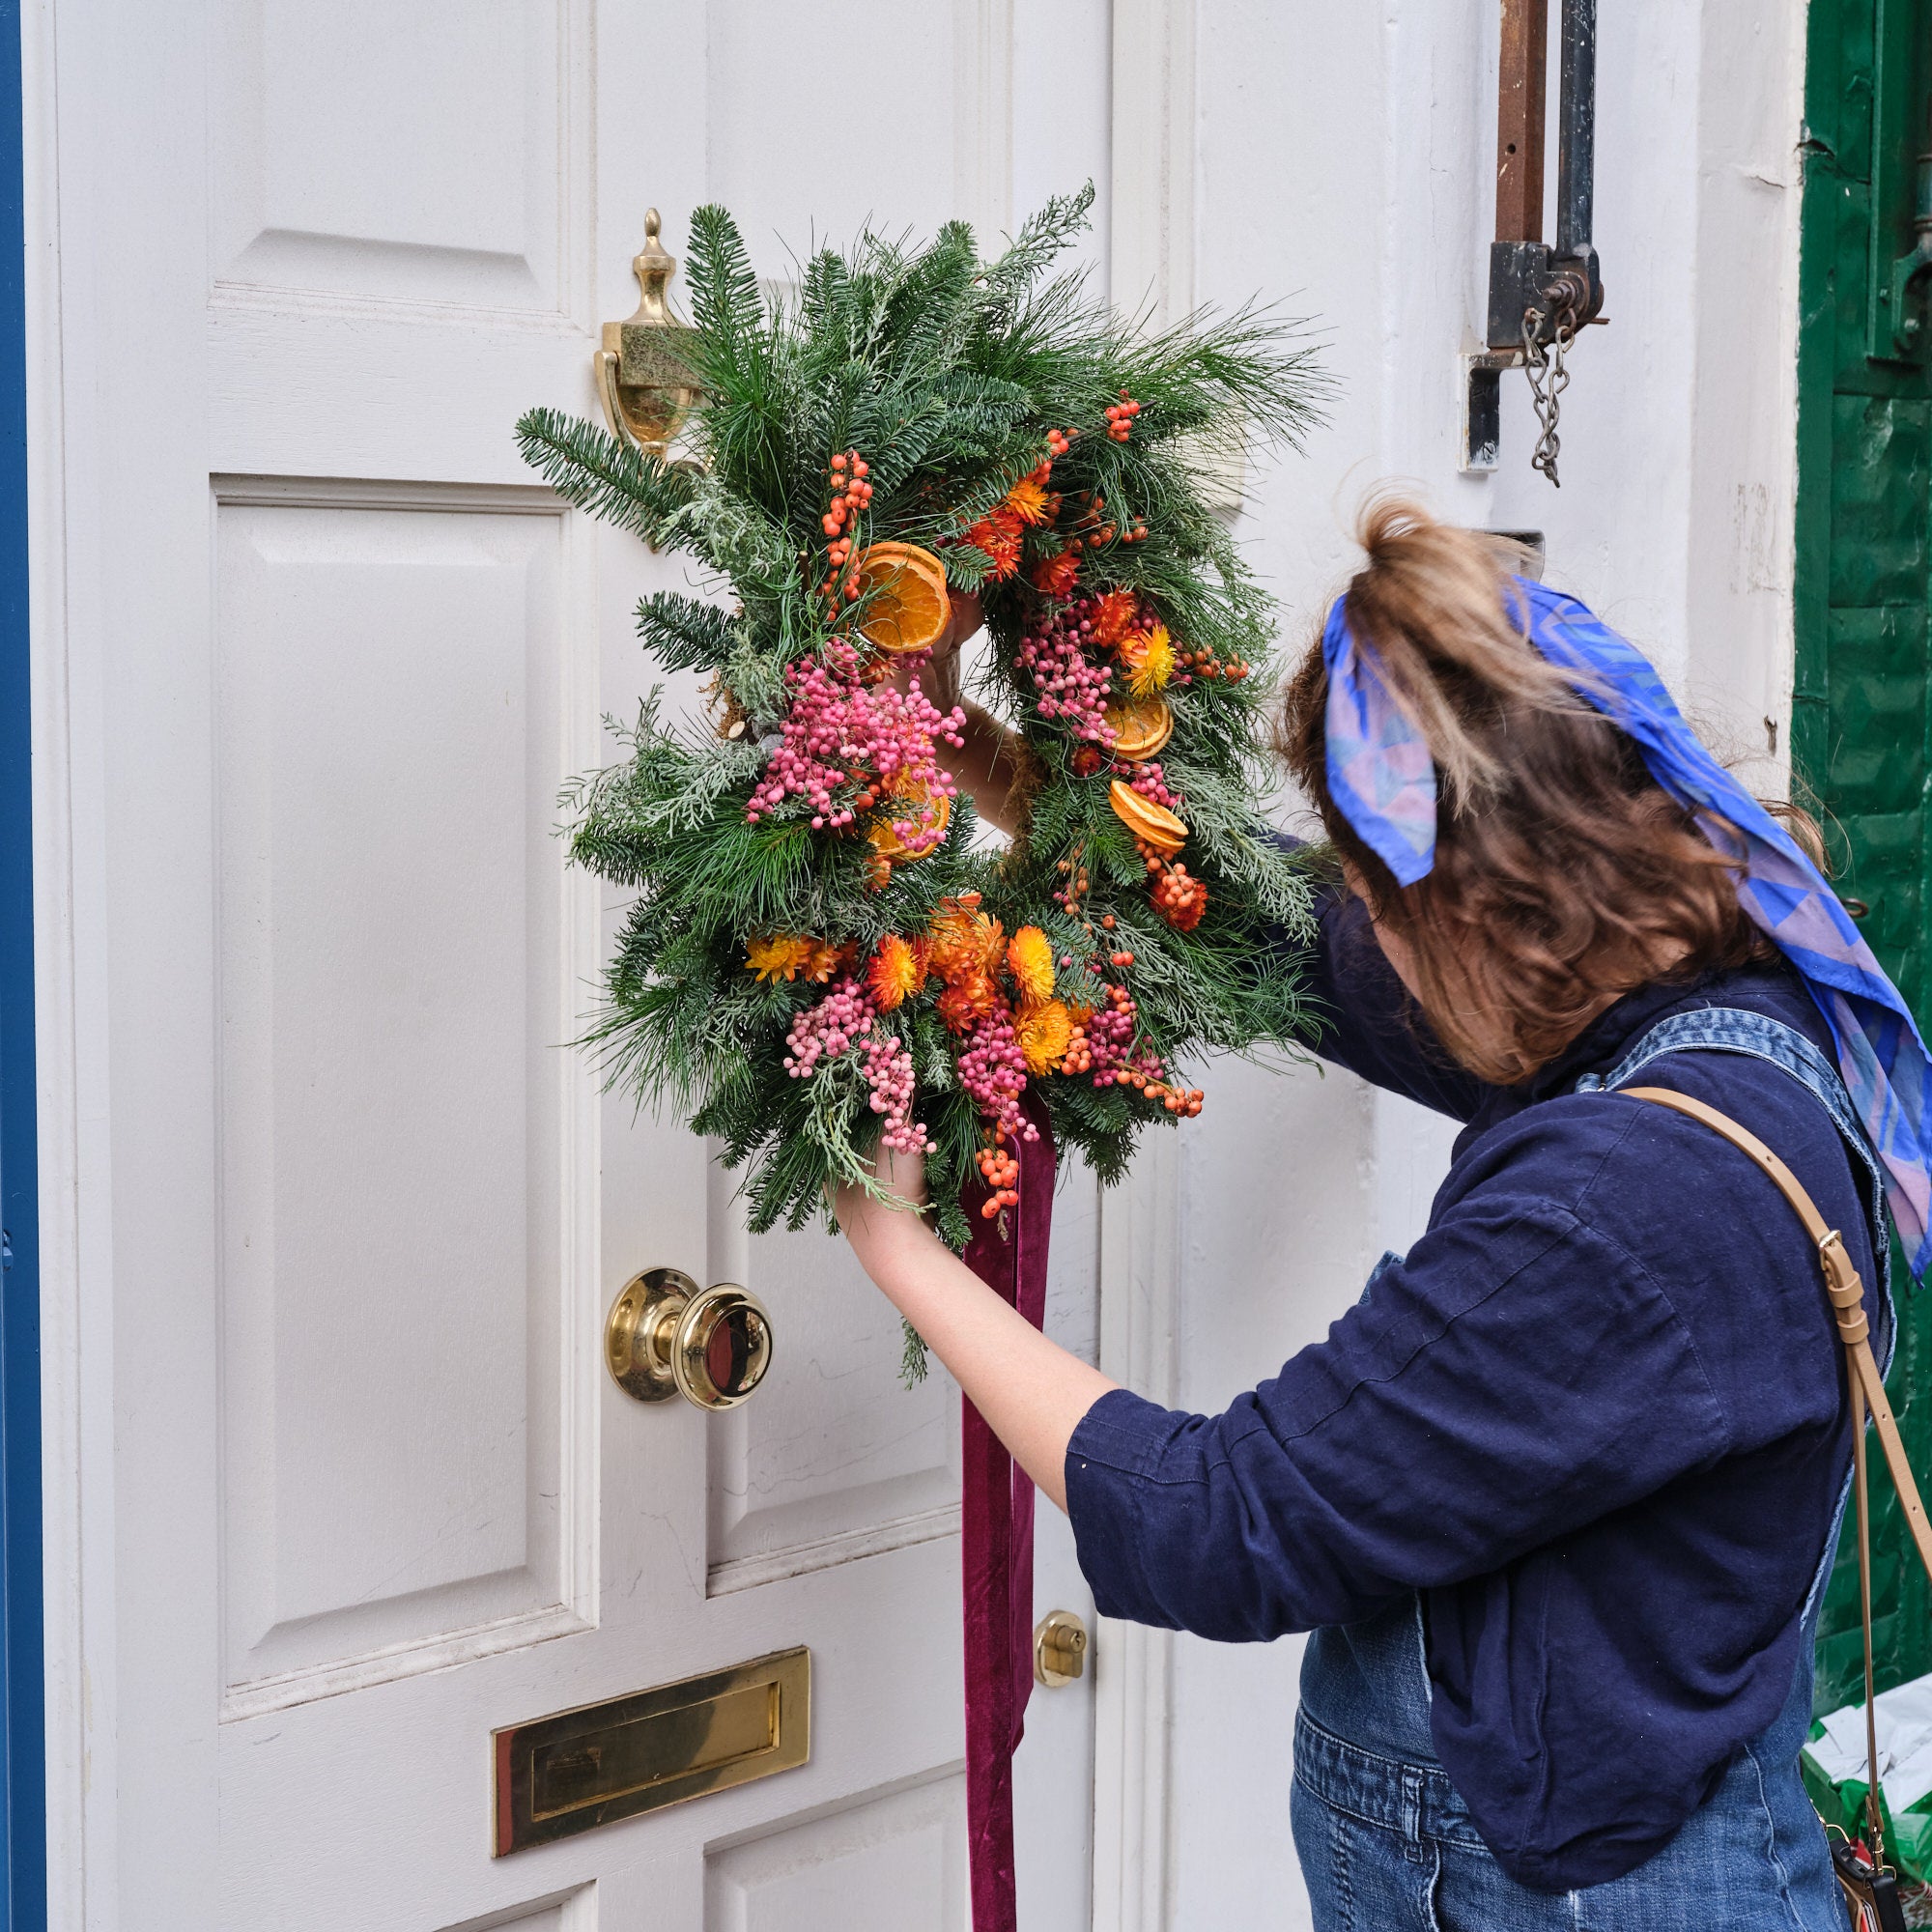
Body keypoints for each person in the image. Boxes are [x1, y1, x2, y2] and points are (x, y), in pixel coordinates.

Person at [838, 498, 1932, 1926]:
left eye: (1381, 896)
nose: (1371, 939)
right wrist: (984, 760)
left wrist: (901, 1247)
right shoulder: (1728, 980)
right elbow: (1299, 941)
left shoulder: (1620, 1215)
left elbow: (1215, 1521)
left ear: (1490, 909)